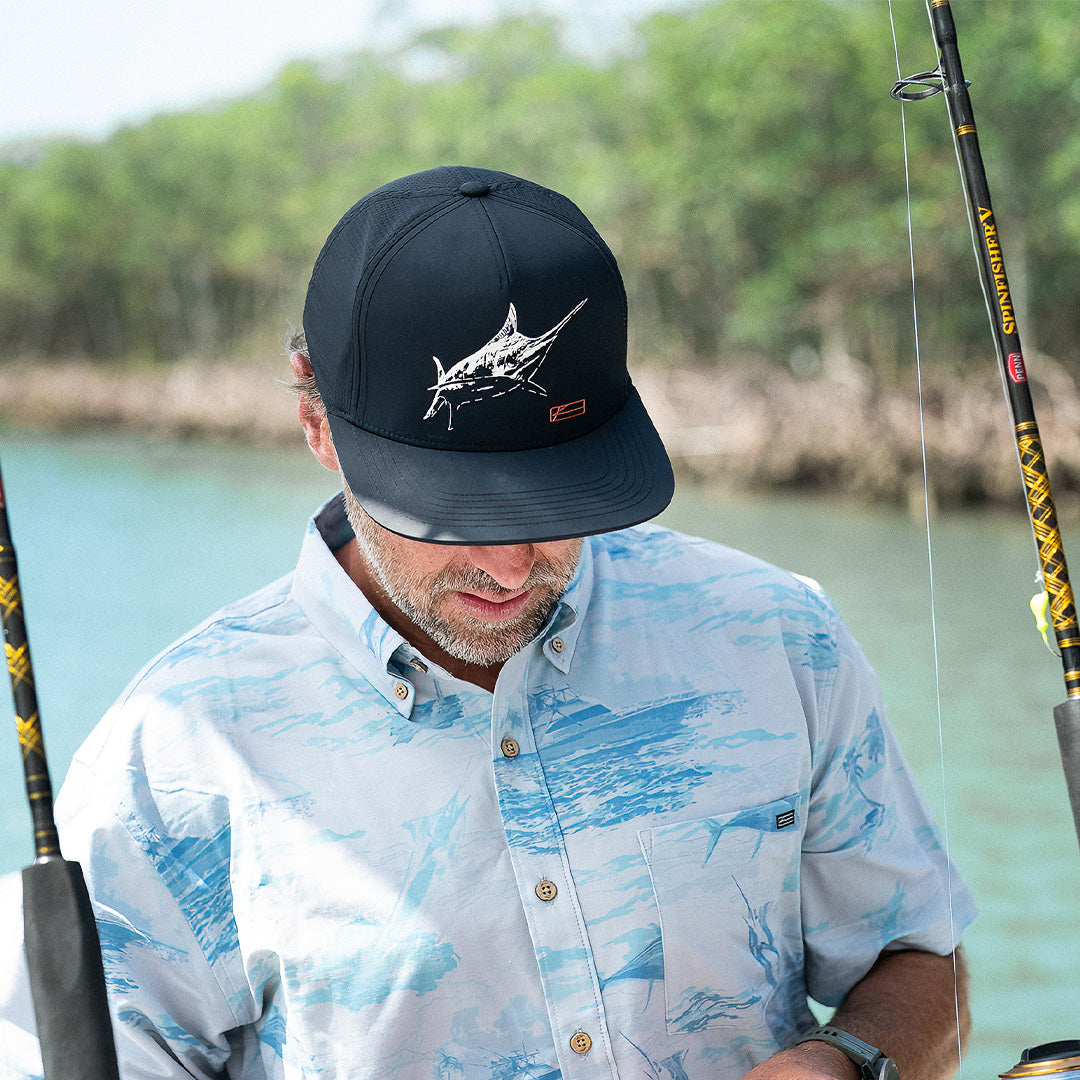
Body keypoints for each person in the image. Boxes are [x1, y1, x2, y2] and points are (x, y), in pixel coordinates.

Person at [1, 165, 974, 1080]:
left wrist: (848, 1062)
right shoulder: (174, 754)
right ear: (315, 418)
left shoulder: (779, 636)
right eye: (451, 510)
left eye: (559, 499)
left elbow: (922, 962)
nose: (512, 565)